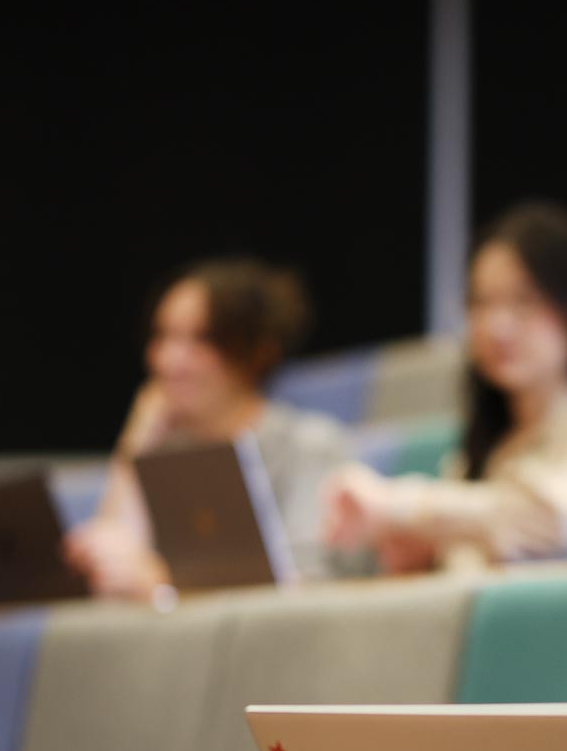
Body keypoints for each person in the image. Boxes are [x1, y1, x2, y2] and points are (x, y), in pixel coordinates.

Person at [326, 201, 567, 572]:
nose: (497, 327)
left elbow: (544, 523)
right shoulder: (489, 449)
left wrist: (404, 506)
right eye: (481, 302)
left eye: (523, 300)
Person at [65, 257, 355, 601]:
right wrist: (136, 443)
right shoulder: (165, 450)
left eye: (199, 339)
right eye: (162, 336)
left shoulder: (308, 443)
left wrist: (160, 584)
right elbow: (110, 570)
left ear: (254, 351)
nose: (169, 360)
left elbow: (308, 586)